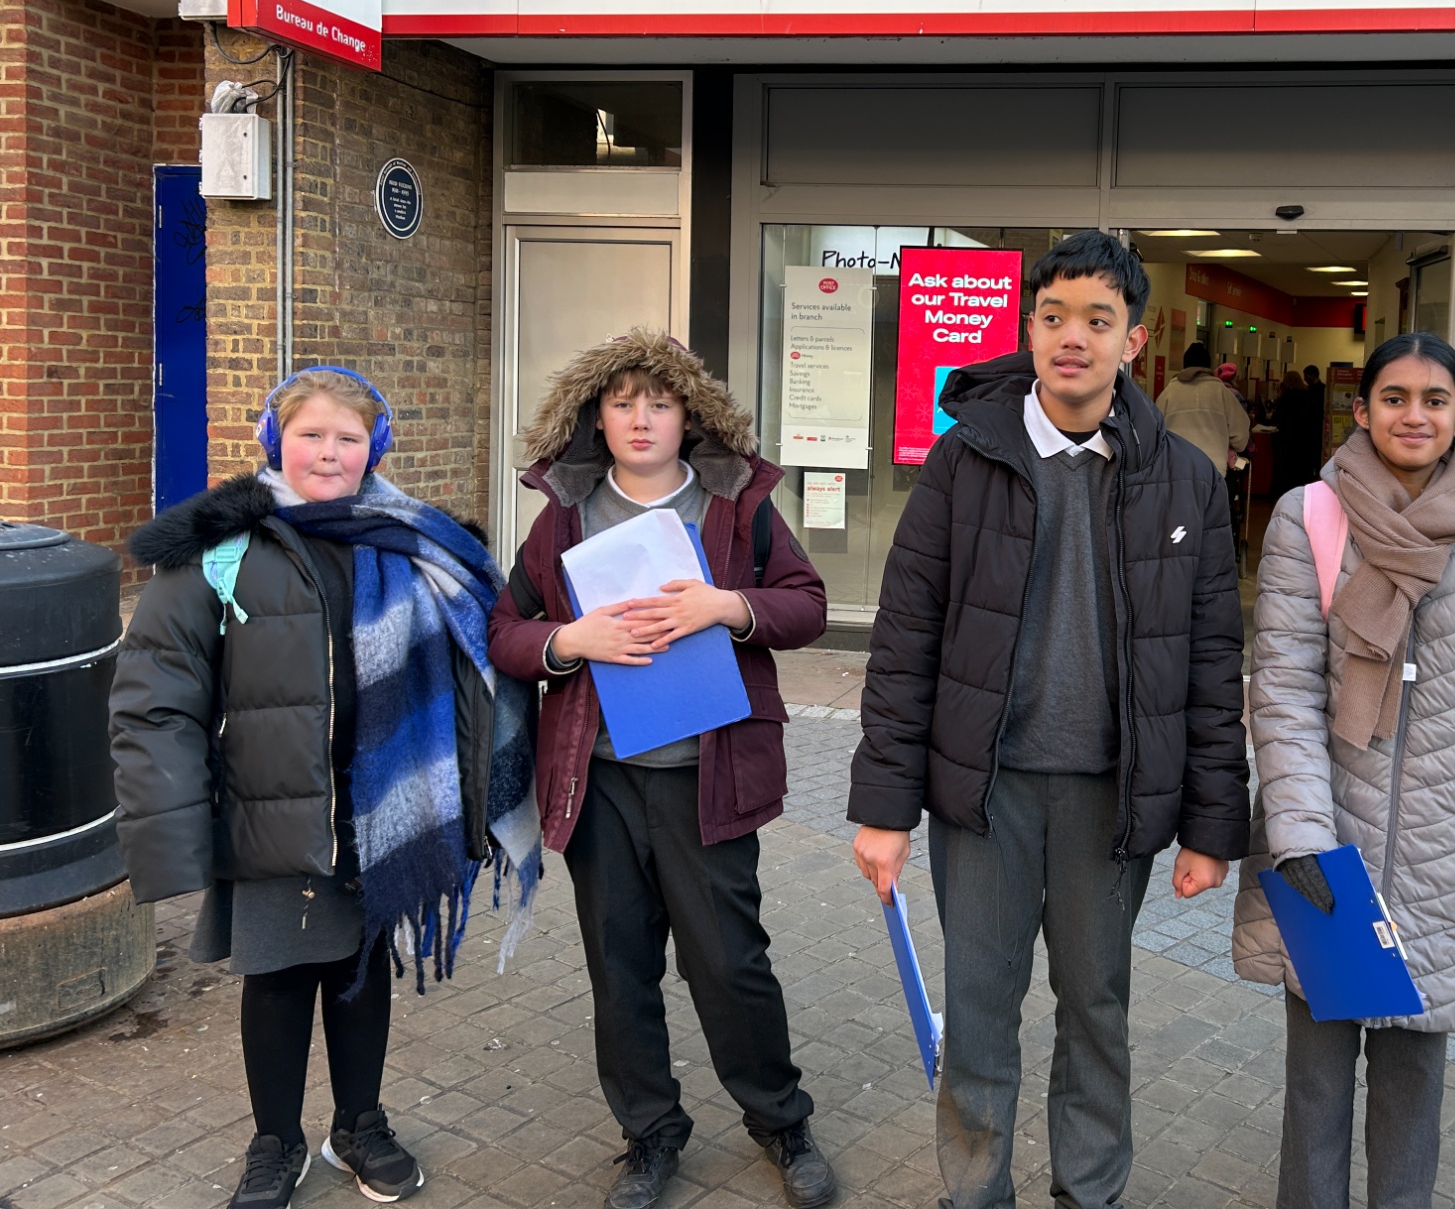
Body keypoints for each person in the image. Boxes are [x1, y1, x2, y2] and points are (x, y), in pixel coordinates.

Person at [849, 229, 1250, 1209]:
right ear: (1028, 328)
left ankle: (1089, 1191)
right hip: (982, 796)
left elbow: (1205, 665)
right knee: (981, 1016)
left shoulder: (1182, 482)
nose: (1072, 337)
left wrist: (1210, 825)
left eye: (1096, 321)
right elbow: (905, 641)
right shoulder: (962, 464)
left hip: (1107, 801)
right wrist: (883, 808)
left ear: (1133, 340)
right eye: (1053, 316)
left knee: (1096, 1010)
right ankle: (974, 1191)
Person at [110, 366, 540, 1209]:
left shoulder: (413, 541)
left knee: (358, 967)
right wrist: (170, 833)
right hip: (272, 815)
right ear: (273, 443)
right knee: (275, 979)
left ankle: (360, 1123)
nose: (329, 453)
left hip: (380, 807)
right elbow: (155, 699)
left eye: (349, 437)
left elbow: (481, 657)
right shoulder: (219, 552)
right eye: (310, 435)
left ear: (374, 448)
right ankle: (275, 1142)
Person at [486, 329, 836, 1209]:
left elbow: (807, 607)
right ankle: (649, 1135)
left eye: (660, 401)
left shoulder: (736, 507)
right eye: (621, 402)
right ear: (593, 418)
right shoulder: (563, 516)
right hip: (597, 778)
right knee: (620, 964)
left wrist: (730, 605)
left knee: (730, 962)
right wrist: (568, 641)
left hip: (706, 775)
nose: (641, 419)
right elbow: (506, 633)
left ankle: (779, 1119)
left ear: (691, 415)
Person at [1233, 331, 1455, 1209]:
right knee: (1318, 1079)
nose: (1415, 415)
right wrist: (1299, 835)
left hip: (1442, 848)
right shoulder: (1314, 516)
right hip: (1328, 842)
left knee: (1415, 1081)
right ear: (1364, 407)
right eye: (1395, 397)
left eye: (1435, 400)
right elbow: (1286, 685)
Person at [1158, 339, 1250, 475]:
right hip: (1213, 470)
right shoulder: (1221, 392)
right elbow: (1241, 437)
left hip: (1177, 470)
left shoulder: (1168, 393)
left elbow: (1154, 434)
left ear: (1185, 365)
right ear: (1208, 366)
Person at [1270, 368, 1325, 497]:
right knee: (1303, 468)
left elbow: (1277, 418)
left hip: (1289, 439)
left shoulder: (1286, 397)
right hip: (1306, 438)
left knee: (1289, 468)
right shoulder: (1308, 395)